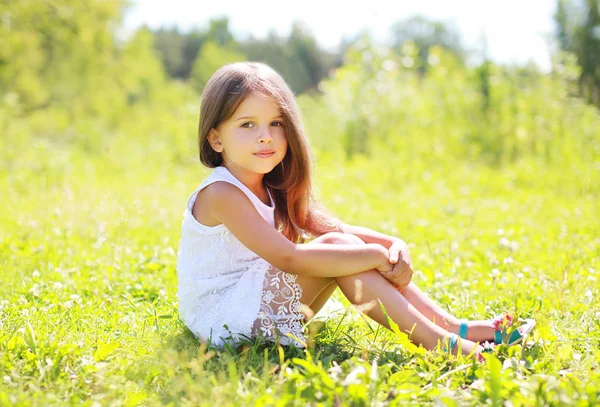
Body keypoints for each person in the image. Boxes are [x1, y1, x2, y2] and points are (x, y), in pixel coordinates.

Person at [176, 61, 536, 362]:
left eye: (276, 123)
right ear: (216, 139)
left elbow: (333, 227)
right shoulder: (222, 192)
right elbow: (290, 258)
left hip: (257, 300)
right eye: (247, 125)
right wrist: (372, 256)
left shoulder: (271, 183)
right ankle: (451, 346)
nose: (266, 136)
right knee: (340, 251)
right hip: (222, 316)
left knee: (340, 245)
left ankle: (457, 328)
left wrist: (394, 244)